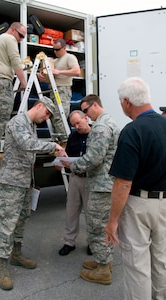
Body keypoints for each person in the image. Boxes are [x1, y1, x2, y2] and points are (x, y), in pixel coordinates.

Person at [0, 96, 67, 291]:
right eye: (46, 114)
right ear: (39, 106)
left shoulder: (31, 125)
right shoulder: (18, 122)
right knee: (7, 224)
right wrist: (54, 146)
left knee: (22, 219)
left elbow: (29, 151)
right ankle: (2, 266)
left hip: (26, 181)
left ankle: (16, 254)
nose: (46, 118)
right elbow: (27, 144)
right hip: (11, 182)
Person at [105, 77, 166, 299]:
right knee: (161, 260)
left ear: (127, 102)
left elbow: (123, 183)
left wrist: (113, 221)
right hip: (164, 203)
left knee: (137, 264)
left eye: (121, 102)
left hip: (139, 205)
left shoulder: (132, 131)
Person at [61, 94, 120, 285]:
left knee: (97, 227)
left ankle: (103, 270)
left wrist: (73, 167)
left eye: (86, 111)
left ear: (95, 106)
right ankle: (104, 261)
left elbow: (94, 158)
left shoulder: (101, 126)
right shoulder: (109, 122)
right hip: (104, 184)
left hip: (101, 186)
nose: (86, 116)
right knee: (101, 226)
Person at [0, 22, 27, 163]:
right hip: (1, 82)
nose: (21, 39)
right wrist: (24, 82)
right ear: (13, 30)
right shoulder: (10, 39)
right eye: (20, 35)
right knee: (0, 117)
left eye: (23, 37)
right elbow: (15, 62)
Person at [58, 110, 92, 256]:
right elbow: (68, 156)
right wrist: (61, 160)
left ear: (86, 118)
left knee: (91, 212)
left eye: (78, 123)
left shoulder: (96, 135)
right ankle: (69, 242)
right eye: (73, 125)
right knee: (71, 211)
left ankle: (93, 242)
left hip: (90, 179)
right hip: (75, 177)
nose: (77, 127)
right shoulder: (73, 136)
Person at [38, 38, 81, 146]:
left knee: (59, 117)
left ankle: (65, 143)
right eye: (54, 49)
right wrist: (42, 76)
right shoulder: (54, 61)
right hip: (53, 90)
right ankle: (59, 142)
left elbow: (77, 71)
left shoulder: (69, 57)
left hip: (62, 90)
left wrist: (59, 71)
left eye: (57, 49)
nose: (55, 52)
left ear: (64, 48)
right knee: (51, 116)